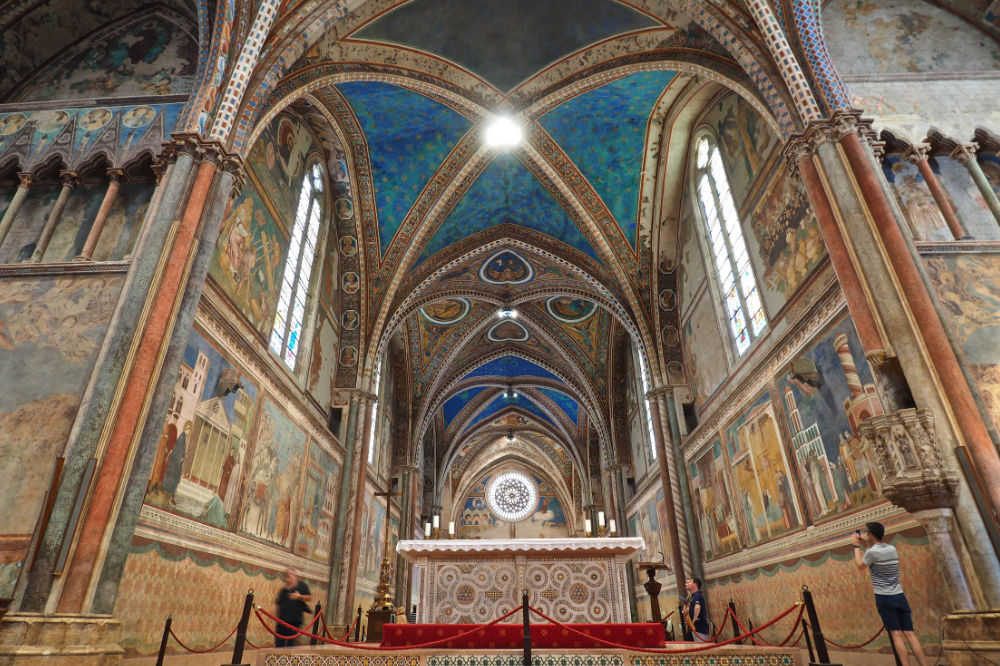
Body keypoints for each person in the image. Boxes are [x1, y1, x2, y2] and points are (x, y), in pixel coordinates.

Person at [852, 522, 929, 666]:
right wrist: (866, 545)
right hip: (899, 595)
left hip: (884, 597)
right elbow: (874, 554)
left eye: (867, 532)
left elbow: (860, 566)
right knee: (910, 634)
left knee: (896, 635)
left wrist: (856, 547)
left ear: (871, 535)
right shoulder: (891, 549)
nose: (865, 534)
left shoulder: (872, 553)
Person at [275, 569, 312, 648]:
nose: (289, 577)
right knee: (279, 645)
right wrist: (277, 618)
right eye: (287, 575)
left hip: (294, 622)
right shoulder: (283, 591)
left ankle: (288, 660)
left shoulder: (301, 586)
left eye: (291, 574)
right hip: (282, 622)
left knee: (290, 646)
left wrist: (299, 597)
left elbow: (309, 598)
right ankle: (279, 659)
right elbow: (278, 605)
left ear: (295, 576)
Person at [685, 577, 710, 641]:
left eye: (689, 582)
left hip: (700, 628)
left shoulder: (697, 595)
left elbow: (697, 607)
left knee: (702, 647)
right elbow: (687, 609)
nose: (686, 584)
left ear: (695, 585)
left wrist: (694, 619)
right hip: (694, 628)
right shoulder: (691, 596)